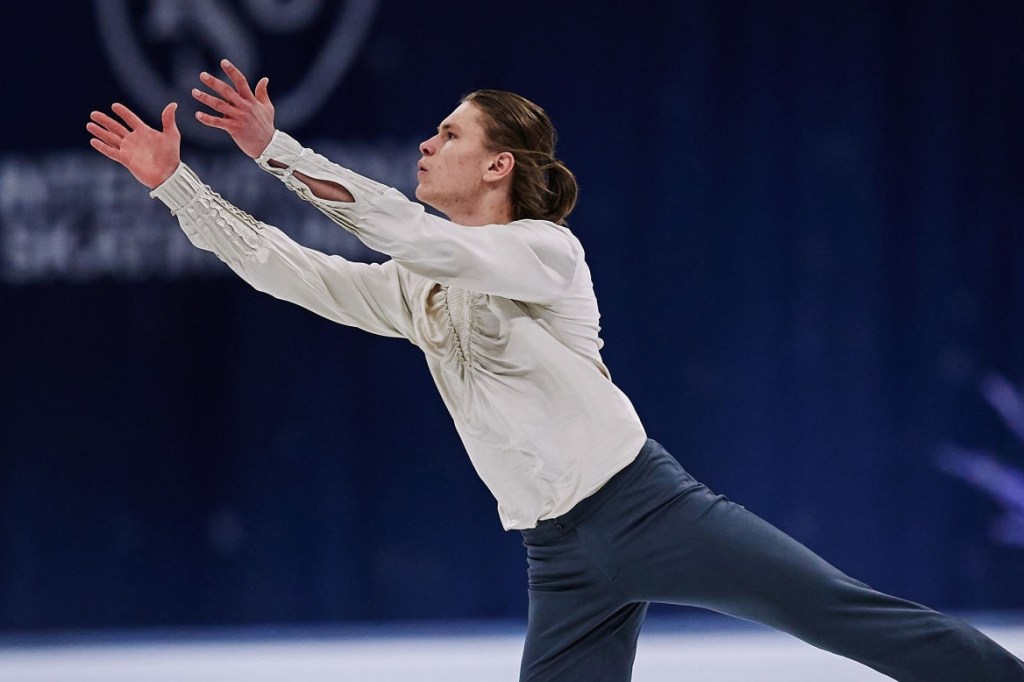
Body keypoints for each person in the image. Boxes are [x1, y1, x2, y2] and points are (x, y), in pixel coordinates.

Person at [87, 59, 1024, 681]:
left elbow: (411, 233)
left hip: (649, 510)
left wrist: (275, 151)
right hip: (559, 558)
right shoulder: (418, 290)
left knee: (848, 616)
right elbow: (284, 269)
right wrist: (177, 185)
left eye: (449, 134)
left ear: (499, 165)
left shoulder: (546, 252)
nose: (426, 145)